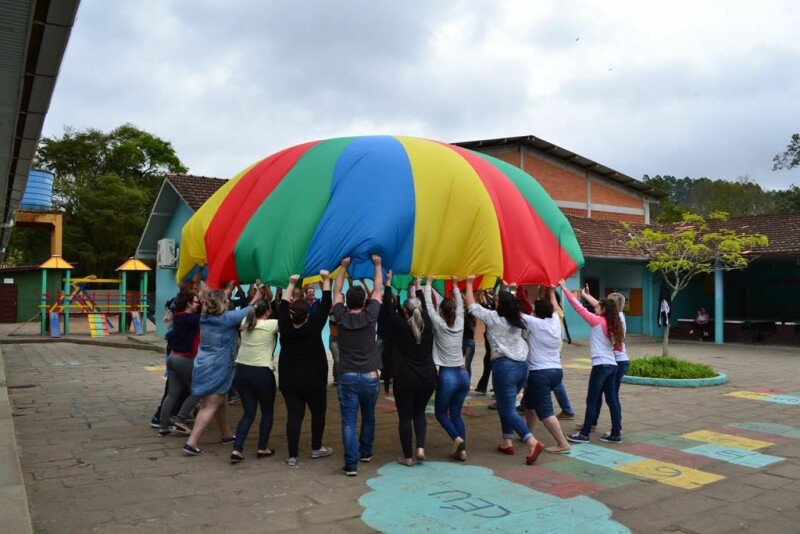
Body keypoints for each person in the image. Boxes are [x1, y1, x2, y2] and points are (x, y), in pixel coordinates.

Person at [465, 275, 545, 465]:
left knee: (506, 408)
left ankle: (531, 441)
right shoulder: (519, 319)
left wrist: (468, 283)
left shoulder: (494, 318)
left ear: (500, 305)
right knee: (506, 404)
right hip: (522, 367)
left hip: (505, 367)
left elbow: (471, 305)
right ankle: (506, 440)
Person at [182, 286, 259, 456]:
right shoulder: (227, 319)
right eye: (226, 300)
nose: (228, 301)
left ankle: (226, 434)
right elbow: (250, 308)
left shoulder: (204, 317)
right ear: (222, 303)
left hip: (204, 364)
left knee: (221, 399)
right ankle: (191, 443)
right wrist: (259, 291)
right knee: (210, 405)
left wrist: (228, 287)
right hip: (217, 367)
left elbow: (210, 296)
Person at [332, 255, 383, 476]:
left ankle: (351, 464)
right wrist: (378, 266)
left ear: (347, 302)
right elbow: (379, 290)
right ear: (364, 301)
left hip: (348, 376)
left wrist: (342, 269)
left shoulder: (341, 316)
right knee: (369, 416)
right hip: (370, 375)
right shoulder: (371, 315)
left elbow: (336, 292)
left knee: (349, 422)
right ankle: (366, 452)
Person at [278, 272, 334, 467]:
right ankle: (317, 447)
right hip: (314, 380)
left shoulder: (284, 326)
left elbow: (283, 305)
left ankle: (292, 455)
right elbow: (326, 304)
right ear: (307, 315)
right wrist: (326, 280)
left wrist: (291, 283)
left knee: (294, 415)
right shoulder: (313, 326)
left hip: (290, 381)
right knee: (318, 413)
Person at [560, 281, 624, 444]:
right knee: (612, 400)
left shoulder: (597, 321)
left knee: (592, 400)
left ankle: (585, 433)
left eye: (598, 306)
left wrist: (565, 289)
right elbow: (617, 347)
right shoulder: (613, 323)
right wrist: (585, 295)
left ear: (603, 310)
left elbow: (578, 308)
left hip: (601, 366)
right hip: (612, 366)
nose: (595, 307)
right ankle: (616, 433)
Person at [383, 273, 436, 466]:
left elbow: (388, 309)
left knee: (405, 416)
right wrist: (418, 286)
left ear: (404, 311)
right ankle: (420, 447)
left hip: (405, 379)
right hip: (427, 378)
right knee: (419, 413)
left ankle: (407, 457)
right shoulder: (428, 327)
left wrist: (388, 284)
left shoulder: (401, 327)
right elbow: (429, 310)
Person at [520, 288, 571, 454]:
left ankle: (562, 443)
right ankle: (527, 433)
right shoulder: (555, 320)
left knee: (545, 412)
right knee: (528, 404)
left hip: (540, 373)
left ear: (537, 312)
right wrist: (551, 290)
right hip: (556, 371)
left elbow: (514, 312)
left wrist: (511, 289)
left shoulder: (535, 323)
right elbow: (556, 307)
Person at [424, 276, 469, 461]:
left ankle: (457, 439)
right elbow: (460, 306)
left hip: (447, 375)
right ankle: (462, 451)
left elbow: (428, 306)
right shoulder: (459, 323)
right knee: (456, 413)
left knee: (441, 413)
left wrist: (427, 284)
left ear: (441, 312)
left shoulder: (439, 324)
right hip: (463, 374)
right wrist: (456, 286)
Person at [230, 297, 278, 462]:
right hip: (262, 373)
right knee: (267, 412)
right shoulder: (270, 325)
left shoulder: (245, 321)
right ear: (267, 312)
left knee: (248, 414)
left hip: (242, 372)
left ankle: (237, 449)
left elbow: (252, 310)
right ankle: (262, 447)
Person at [585, 291, 629, 435]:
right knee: (602, 396)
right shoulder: (615, 317)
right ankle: (593, 423)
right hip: (615, 361)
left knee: (611, 397)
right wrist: (586, 295)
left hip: (616, 361)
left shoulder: (617, 319)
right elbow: (598, 305)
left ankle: (616, 429)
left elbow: (598, 306)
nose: (601, 303)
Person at [158, 291, 202, 436]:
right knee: (198, 390)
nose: (199, 304)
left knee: (172, 394)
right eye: (196, 302)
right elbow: (207, 316)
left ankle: (163, 425)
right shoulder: (192, 319)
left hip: (172, 357)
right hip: (185, 359)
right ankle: (180, 420)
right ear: (189, 303)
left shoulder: (179, 316)